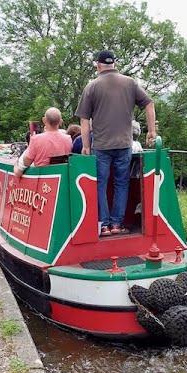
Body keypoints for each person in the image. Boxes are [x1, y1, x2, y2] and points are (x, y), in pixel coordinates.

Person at [75, 50, 157, 236]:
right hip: (124, 144)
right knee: (122, 184)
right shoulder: (129, 83)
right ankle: (117, 225)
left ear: (98, 65)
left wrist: (86, 146)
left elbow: (84, 120)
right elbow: (149, 103)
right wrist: (151, 131)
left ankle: (103, 225)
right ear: (114, 64)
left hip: (101, 146)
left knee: (100, 185)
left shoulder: (92, 86)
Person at [14, 107, 72, 178]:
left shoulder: (36, 139)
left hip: (43, 181)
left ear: (44, 120)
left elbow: (25, 163)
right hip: (62, 179)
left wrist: (16, 165)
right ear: (61, 121)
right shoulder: (68, 139)